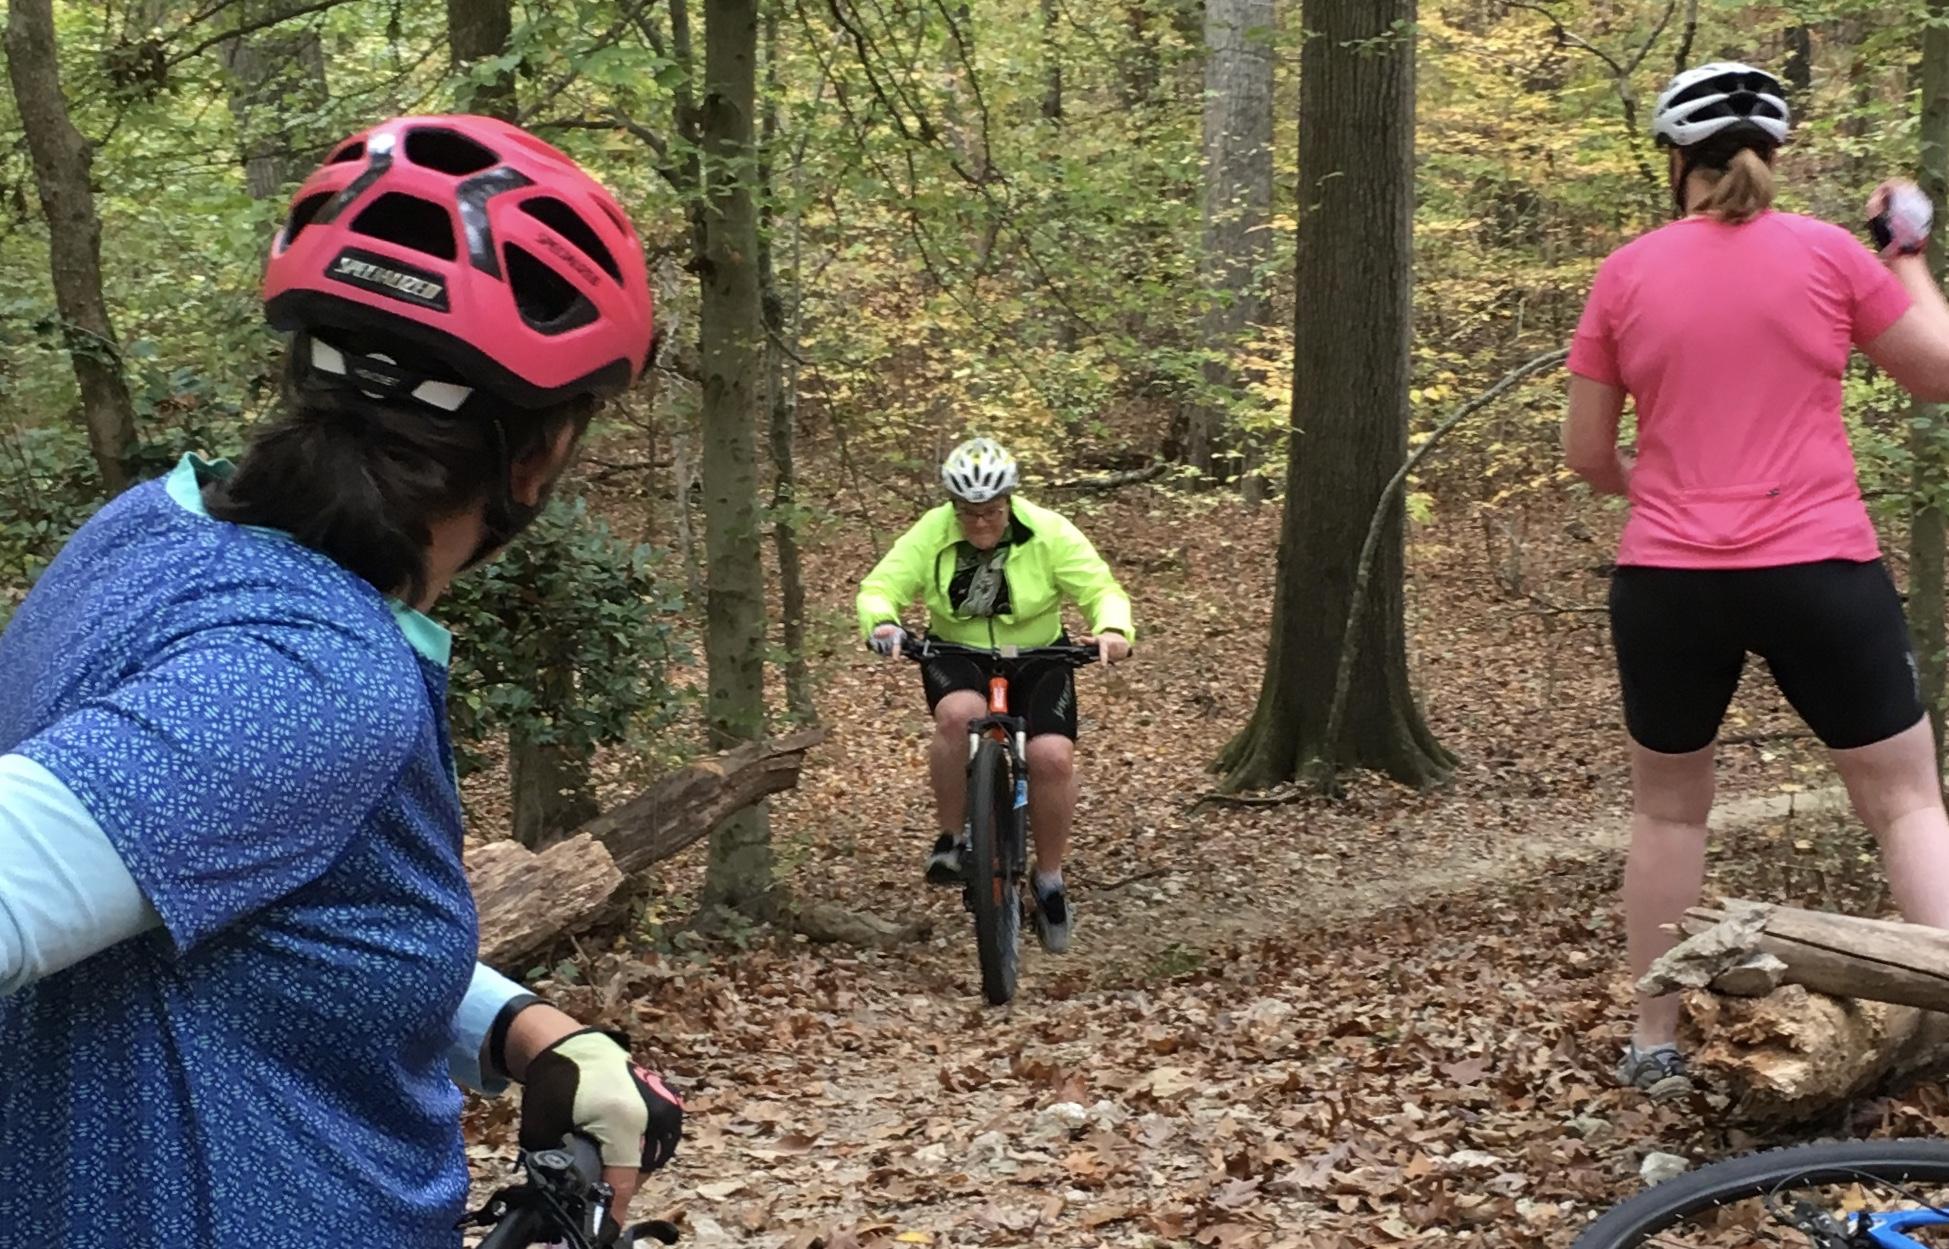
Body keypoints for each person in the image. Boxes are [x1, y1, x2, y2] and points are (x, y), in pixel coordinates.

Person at [0, 115, 682, 1247]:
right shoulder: (315, 667)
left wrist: (520, 1027)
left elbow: (213, 886)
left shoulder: (149, 531)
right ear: (540, 452)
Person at [1563, 62, 1949, 1091]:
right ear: (1770, 154)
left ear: (1674, 160)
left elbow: (1587, 454)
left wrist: (1662, 487)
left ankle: (1650, 1043)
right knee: (1905, 804)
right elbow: (1936, 372)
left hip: (1667, 580)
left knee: (1668, 811)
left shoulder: (1625, 271)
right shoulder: (1830, 253)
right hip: (1820, 565)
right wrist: (1904, 253)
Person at [857, 438, 1134, 954]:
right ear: (952, 507)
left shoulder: (1048, 532)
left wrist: (1113, 629)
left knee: (1051, 757)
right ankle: (952, 839)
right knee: (960, 716)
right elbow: (880, 586)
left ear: (1010, 502)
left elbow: (1101, 589)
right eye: (967, 514)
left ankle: (1048, 878)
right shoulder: (931, 531)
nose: (980, 524)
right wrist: (883, 622)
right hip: (956, 651)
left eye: (991, 513)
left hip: (1038, 656)